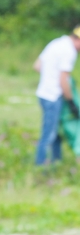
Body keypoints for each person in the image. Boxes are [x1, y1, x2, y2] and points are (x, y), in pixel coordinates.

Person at [34, 26, 80, 165]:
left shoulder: (56, 43)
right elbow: (63, 80)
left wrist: (49, 76)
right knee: (49, 134)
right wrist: (71, 101)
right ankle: (40, 166)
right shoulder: (69, 51)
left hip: (43, 93)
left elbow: (37, 66)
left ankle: (56, 163)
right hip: (53, 97)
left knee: (56, 134)